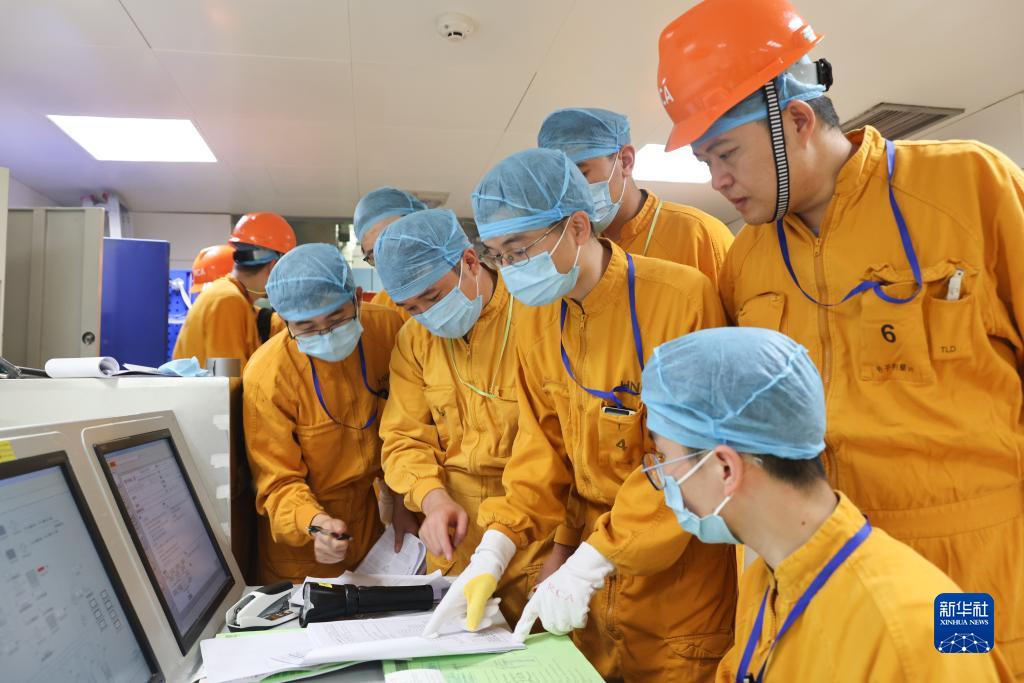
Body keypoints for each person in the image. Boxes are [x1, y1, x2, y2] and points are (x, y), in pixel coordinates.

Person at [657, 0, 1024, 672]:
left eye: (725, 152)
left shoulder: (968, 186)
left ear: (797, 120)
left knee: (956, 673)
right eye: (706, 161)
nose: (717, 180)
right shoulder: (747, 259)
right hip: (813, 570)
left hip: (963, 570)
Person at [426, 148, 737, 681]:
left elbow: (689, 462)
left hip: (676, 586)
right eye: (499, 256)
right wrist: (494, 550)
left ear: (576, 226)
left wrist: (592, 561)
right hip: (591, 585)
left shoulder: (681, 298)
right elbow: (540, 450)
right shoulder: (537, 317)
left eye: (520, 250)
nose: (511, 270)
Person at [637, 326, 1013, 682]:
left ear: (725, 468)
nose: (661, 476)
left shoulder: (920, 630)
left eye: (663, 457)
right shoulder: (768, 579)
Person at [375, 208, 552, 624]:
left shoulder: (537, 315)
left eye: (434, 297)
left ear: (470, 262)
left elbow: (560, 448)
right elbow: (403, 438)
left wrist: (562, 547)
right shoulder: (414, 339)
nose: (426, 315)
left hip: (534, 536)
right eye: (411, 307)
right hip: (454, 537)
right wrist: (431, 498)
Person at [242, 243, 415, 584]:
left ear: (358, 298)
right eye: (307, 327)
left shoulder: (387, 330)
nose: (326, 335)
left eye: (337, 319)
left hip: (371, 529)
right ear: (284, 321)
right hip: (303, 547)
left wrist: (401, 501)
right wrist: (315, 524)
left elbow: (409, 427)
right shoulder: (267, 377)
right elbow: (277, 482)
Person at [538, 107, 734, 288]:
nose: (569, 193)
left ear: (625, 161)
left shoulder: (698, 235)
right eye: (559, 184)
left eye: (581, 175)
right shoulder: (577, 251)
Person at [173, 213, 295, 368]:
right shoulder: (228, 301)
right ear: (274, 266)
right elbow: (225, 375)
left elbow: (272, 324)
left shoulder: (236, 299)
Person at [352, 187, 428, 321]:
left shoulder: (461, 286)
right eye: (374, 256)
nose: (390, 261)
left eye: (395, 245)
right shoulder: (382, 307)